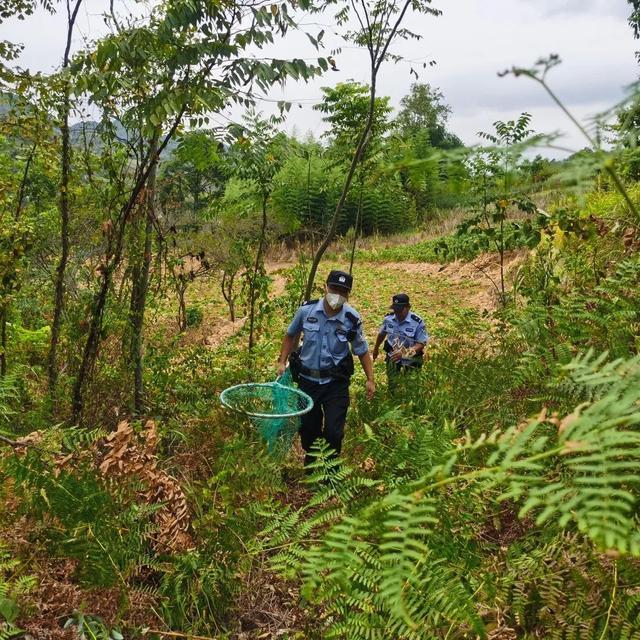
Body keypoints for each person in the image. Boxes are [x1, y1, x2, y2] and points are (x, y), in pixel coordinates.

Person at [277, 270, 375, 466]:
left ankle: (330, 470)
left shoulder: (352, 318)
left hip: (335, 384)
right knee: (308, 429)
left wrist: (370, 379)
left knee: (333, 431)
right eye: (334, 288)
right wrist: (282, 361)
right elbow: (290, 334)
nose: (337, 294)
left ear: (348, 295)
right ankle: (312, 466)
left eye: (343, 291)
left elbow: (362, 351)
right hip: (308, 382)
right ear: (326, 287)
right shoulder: (307, 311)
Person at [372, 293, 429, 385]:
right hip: (393, 356)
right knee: (392, 384)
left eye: (400, 310)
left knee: (412, 385)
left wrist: (404, 353)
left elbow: (421, 344)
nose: (397, 313)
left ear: (408, 307)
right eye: (395, 310)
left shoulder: (417, 322)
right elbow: (382, 333)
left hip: (412, 358)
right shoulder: (388, 319)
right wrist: (376, 348)